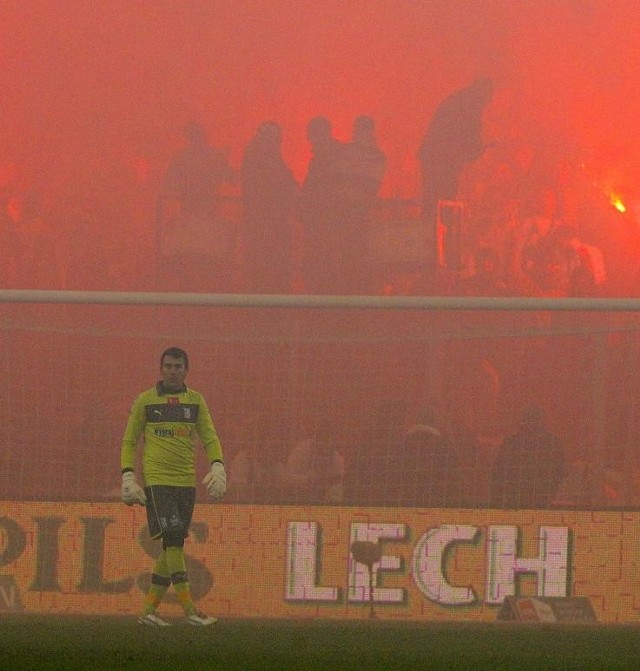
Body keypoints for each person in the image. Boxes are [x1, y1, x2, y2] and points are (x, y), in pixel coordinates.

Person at [120, 346, 227, 627]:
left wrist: (218, 464)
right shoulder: (145, 401)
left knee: (173, 545)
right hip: (157, 480)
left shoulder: (195, 402)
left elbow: (209, 436)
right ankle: (189, 608)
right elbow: (130, 441)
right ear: (160, 368)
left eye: (178, 366)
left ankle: (147, 610)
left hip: (186, 482)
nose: (172, 371)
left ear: (186, 370)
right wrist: (128, 475)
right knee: (173, 539)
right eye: (168, 366)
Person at [417, 78, 494, 277]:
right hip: (442, 162)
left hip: (436, 159)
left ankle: (431, 255)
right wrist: (481, 149)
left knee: (433, 207)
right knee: (444, 208)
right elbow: (471, 141)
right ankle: (442, 257)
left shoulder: (457, 99)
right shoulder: (471, 104)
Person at [240, 121, 298, 293]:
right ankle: (272, 309)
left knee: (263, 270)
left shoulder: (258, 159)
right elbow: (281, 184)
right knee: (270, 269)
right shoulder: (263, 161)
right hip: (268, 225)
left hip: (263, 224)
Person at [489, 404, 567, 509]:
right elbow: (561, 473)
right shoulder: (552, 443)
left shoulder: (511, 443)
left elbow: (497, 474)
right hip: (528, 501)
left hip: (521, 501)